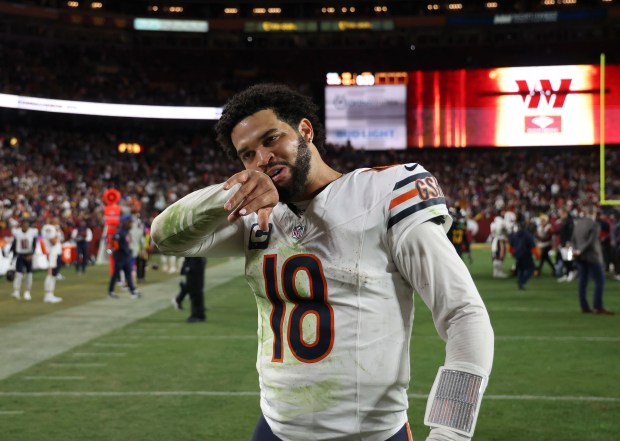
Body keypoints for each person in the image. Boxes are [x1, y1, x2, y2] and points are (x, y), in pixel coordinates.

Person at [152, 84, 494, 441]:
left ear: (305, 130)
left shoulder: (386, 192)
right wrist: (232, 190)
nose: (262, 159)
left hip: (370, 433)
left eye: (271, 139)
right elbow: (164, 236)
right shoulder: (257, 216)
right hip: (275, 428)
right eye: (247, 155)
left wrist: (450, 433)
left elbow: (463, 314)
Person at [571, 205, 614, 315]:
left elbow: (573, 239)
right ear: (593, 214)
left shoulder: (578, 224)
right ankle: (598, 307)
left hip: (580, 256)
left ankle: (584, 306)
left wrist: (577, 251)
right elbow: (591, 242)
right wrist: (581, 250)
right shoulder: (594, 225)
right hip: (592, 256)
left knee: (582, 282)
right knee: (600, 281)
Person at [107, 215, 140, 299]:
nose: (131, 224)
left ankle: (132, 291)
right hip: (120, 257)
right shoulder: (120, 232)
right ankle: (111, 291)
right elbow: (115, 243)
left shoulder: (126, 232)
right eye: (130, 222)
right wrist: (124, 250)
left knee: (128, 274)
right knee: (115, 274)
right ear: (125, 222)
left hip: (126, 257)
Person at [10, 217, 38, 301]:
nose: (25, 226)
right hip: (20, 255)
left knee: (29, 274)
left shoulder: (32, 232)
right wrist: (12, 254)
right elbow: (14, 244)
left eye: (27, 224)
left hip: (28, 254)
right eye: (24, 224)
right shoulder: (17, 232)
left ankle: (27, 292)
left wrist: (32, 254)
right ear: (21, 225)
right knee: (19, 274)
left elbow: (34, 244)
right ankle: (16, 291)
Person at [172, 256, 207, 322]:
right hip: (195, 264)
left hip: (194, 265)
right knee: (196, 291)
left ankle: (197, 315)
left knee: (195, 292)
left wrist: (188, 266)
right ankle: (199, 314)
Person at [509, 215, 536, 290]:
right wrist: (537, 255)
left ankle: (520, 282)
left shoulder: (515, 235)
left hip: (517, 254)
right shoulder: (528, 235)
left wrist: (512, 253)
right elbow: (533, 246)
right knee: (531, 269)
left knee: (520, 269)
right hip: (526, 255)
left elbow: (510, 246)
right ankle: (522, 281)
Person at [41, 222, 64, 303]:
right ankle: (48, 295)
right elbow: (53, 242)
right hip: (52, 253)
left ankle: (50, 294)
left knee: (53, 274)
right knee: (51, 274)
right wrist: (58, 234)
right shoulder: (50, 228)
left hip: (53, 253)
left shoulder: (48, 227)